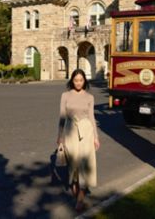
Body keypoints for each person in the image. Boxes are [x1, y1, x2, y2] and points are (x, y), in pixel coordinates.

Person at [56, 69, 100, 212]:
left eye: (81, 80)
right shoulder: (65, 96)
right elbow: (62, 117)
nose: (78, 83)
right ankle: (76, 188)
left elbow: (92, 117)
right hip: (70, 132)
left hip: (86, 132)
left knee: (84, 164)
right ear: (72, 81)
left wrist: (96, 137)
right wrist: (60, 136)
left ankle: (80, 200)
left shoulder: (89, 97)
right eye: (76, 80)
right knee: (73, 164)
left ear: (84, 81)